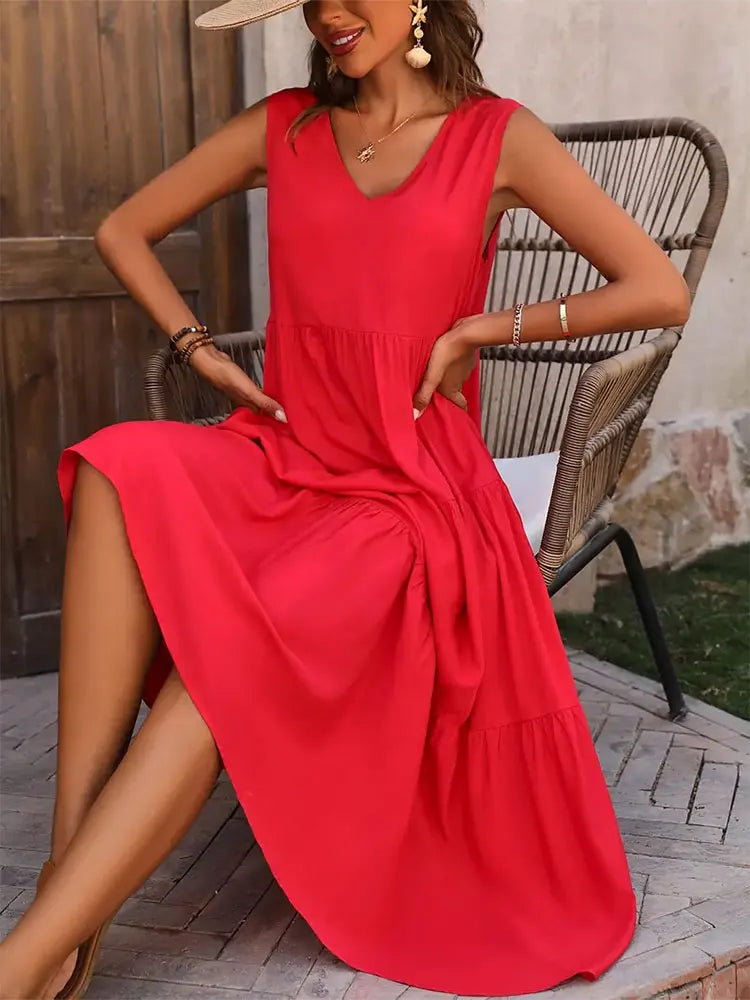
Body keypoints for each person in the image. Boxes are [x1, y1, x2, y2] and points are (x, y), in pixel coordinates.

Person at [0, 1, 691, 998]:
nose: (329, 12)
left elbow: (657, 288)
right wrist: (199, 350)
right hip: (288, 455)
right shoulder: (283, 126)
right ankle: (69, 889)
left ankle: (27, 961)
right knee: (113, 467)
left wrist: (484, 328)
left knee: (226, 660)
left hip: (411, 494)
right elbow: (123, 230)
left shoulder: (497, 137)